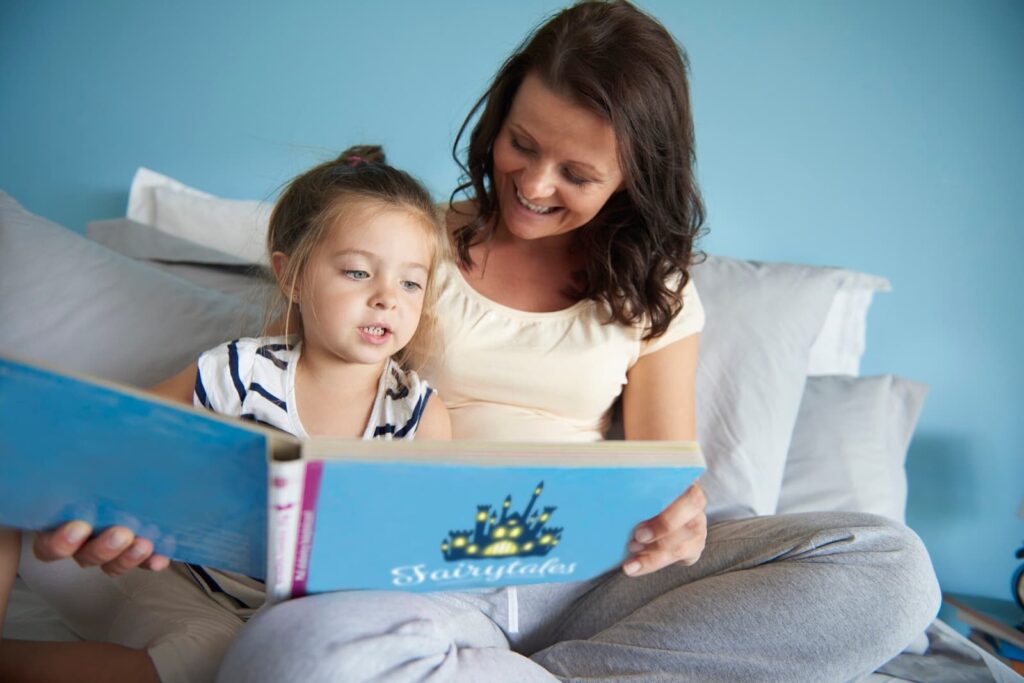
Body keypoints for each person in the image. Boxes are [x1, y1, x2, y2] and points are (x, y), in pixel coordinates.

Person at [27, 2, 941, 681]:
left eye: (577, 173)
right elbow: (278, 383)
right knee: (289, 654)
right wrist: (115, 484)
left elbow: (670, 467)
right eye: (520, 142)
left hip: (593, 572)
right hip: (427, 573)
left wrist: (685, 509)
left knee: (892, 570)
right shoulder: (409, 251)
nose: (534, 184)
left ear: (634, 178)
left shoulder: (658, 290)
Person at [0, 145, 452, 683]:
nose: (387, 299)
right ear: (293, 278)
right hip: (180, 579)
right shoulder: (240, 372)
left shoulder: (419, 414)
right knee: (205, 655)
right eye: (358, 272)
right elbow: (115, 436)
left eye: (410, 282)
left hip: (305, 615)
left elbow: (421, 545)